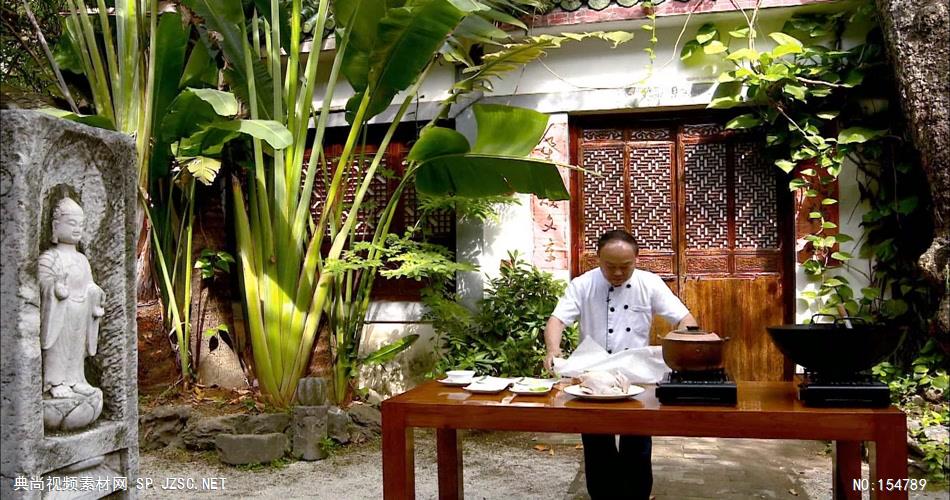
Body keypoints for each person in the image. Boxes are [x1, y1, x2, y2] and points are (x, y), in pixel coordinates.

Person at [543, 229, 697, 500]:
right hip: (592, 379)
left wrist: (684, 344)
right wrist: (553, 351)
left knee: (637, 446)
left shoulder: (649, 283)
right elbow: (556, 321)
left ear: (636, 260)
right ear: (598, 259)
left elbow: (686, 319)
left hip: (636, 379)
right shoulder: (583, 284)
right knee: (596, 447)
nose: (617, 273)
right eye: (609, 266)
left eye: (624, 267)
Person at [38, 197, 104, 399]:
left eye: (81, 225)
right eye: (71, 223)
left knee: (77, 348)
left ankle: (76, 379)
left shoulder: (82, 259)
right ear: (56, 226)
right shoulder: (50, 257)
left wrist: (95, 294)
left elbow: (90, 284)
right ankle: (55, 381)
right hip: (60, 312)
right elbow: (42, 284)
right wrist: (55, 288)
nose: (77, 229)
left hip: (81, 311)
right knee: (59, 347)